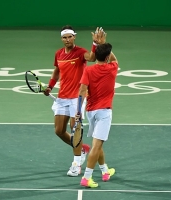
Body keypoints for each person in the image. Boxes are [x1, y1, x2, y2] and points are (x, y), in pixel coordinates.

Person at [44, 25, 106, 176]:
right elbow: (57, 71)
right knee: (59, 131)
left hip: (77, 97)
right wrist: (50, 86)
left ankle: (76, 163)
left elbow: (91, 57)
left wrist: (95, 44)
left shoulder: (80, 52)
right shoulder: (58, 53)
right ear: (61, 39)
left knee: (75, 129)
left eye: (69, 37)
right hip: (62, 96)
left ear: (74, 37)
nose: (67, 40)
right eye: (64, 37)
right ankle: (82, 148)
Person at [76, 42, 118, 187]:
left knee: (97, 144)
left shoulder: (88, 70)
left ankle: (105, 171)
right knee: (96, 146)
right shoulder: (112, 68)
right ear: (106, 58)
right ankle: (86, 178)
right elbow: (114, 59)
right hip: (104, 112)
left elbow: (82, 91)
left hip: (90, 111)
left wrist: (78, 111)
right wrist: (101, 42)